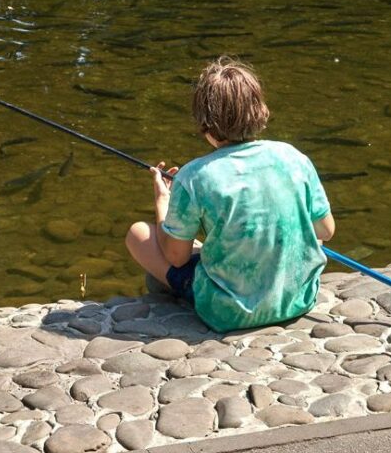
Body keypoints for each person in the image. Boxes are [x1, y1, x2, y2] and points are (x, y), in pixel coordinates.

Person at [125, 56, 335, 333]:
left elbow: (176, 257)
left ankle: (170, 297)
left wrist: (164, 201)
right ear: (261, 111)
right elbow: (326, 231)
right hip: (298, 300)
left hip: (228, 313)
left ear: (205, 125)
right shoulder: (293, 156)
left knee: (139, 233)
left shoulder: (193, 175)